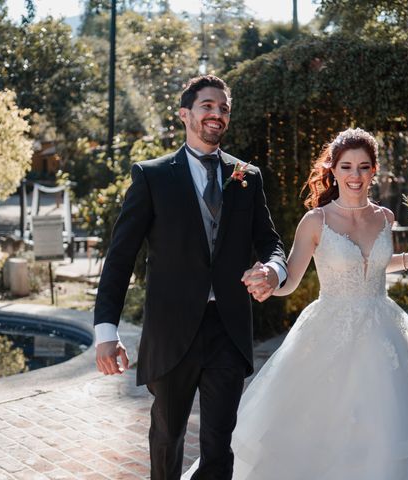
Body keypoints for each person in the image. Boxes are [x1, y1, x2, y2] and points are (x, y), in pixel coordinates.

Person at [183, 127, 408, 479]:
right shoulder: (317, 220)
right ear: (333, 170)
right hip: (330, 331)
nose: (354, 176)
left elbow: (376, 264)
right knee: (322, 424)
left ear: (374, 170)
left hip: (384, 333)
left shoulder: (386, 217)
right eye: (346, 167)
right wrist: (268, 283)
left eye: (362, 167)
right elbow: (291, 279)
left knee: (385, 423)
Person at [94, 75, 287, 480]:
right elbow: (120, 257)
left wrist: (273, 269)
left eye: (223, 108)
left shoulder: (246, 176)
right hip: (171, 330)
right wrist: (105, 331)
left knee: (219, 444)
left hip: (228, 329)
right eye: (207, 106)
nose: (217, 114)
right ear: (185, 114)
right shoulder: (152, 176)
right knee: (167, 438)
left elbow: (271, 242)